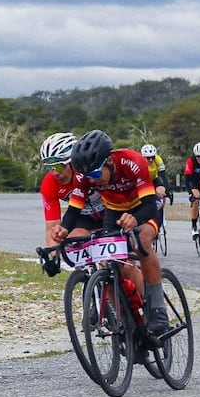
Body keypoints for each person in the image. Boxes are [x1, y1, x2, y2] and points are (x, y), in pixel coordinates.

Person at [51, 130, 169, 335]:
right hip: (114, 211)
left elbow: (151, 204)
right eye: (88, 177)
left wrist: (136, 219)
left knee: (140, 241)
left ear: (110, 161)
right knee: (107, 262)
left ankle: (157, 308)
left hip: (143, 207)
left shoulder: (132, 162)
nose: (93, 181)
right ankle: (126, 320)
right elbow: (74, 210)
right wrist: (63, 228)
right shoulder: (86, 176)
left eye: (96, 175)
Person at [38, 132, 104, 246]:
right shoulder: (49, 183)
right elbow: (52, 228)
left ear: (73, 162)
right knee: (74, 242)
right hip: (81, 218)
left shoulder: (91, 172)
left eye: (59, 166)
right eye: (49, 167)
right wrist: (54, 254)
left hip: (109, 212)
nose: (55, 173)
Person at [140, 143, 172, 230]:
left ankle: (161, 213)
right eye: (148, 158)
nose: (151, 160)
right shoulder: (140, 162)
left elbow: (163, 175)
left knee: (162, 192)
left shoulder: (158, 159)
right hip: (144, 181)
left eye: (152, 157)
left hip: (154, 179)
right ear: (143, 157)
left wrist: (168, 190)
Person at [183, 142, 200, 239]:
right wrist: (190, 193)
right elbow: (187, 179)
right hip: (194, 183)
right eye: (198, 156)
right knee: (196, 198)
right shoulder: (191, 161)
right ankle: (194, 226)